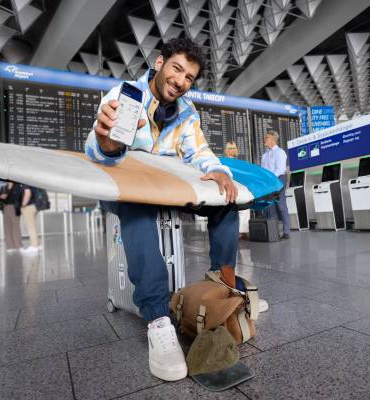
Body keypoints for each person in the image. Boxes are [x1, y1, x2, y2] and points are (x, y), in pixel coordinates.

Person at [87, 38, 240, 382]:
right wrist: (107, 144)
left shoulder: (187, 112)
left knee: (225, 205)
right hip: (122, 186)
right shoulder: (122, 95)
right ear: (159, 63)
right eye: (176, 69)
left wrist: (218, 171)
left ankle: (223, 289)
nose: (181, 81)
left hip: (166, 188)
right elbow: (97, 147)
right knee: (137, 210)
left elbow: (200, 152)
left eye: (189, 77)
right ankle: (158, 320)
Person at [261, 131, 291, 240]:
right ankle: (273, 233)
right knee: (270, 206)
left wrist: (269, 178)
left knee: (281, 205)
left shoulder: (280, 152)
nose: (265, 139)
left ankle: (286, 232)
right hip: (268, 182)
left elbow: (280, 169)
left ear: (273, 139)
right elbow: (263, 170)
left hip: (278, 180)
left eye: (267, 137)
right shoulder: (264, 155)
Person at [224, 141, 249, 240]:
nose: (233, 150)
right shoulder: (224, 161)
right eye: (230, 148)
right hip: (229, 187)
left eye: (234, 148)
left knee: (245, 209)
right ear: (227, 150)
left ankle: (243, 232)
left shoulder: (239, 162)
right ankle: (232, 232)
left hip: (240, 188)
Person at [0, 182, 22, 252]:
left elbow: (19, 197)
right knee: (7, 227)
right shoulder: (4, 187)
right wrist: (0, 197)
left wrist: (7, 195)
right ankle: (10, 246)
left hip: (14, 207)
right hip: (5, 208)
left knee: (16, 227)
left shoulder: (17, 186)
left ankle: (18, 245)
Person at [19, 184, 39, 253]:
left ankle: (34, 246)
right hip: (34, 206)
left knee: (30, 227)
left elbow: (27, 193)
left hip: (28, 207)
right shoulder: (32, 183)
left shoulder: (25, 182)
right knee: (33, 226)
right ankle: (36, 245)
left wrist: (23, 205)